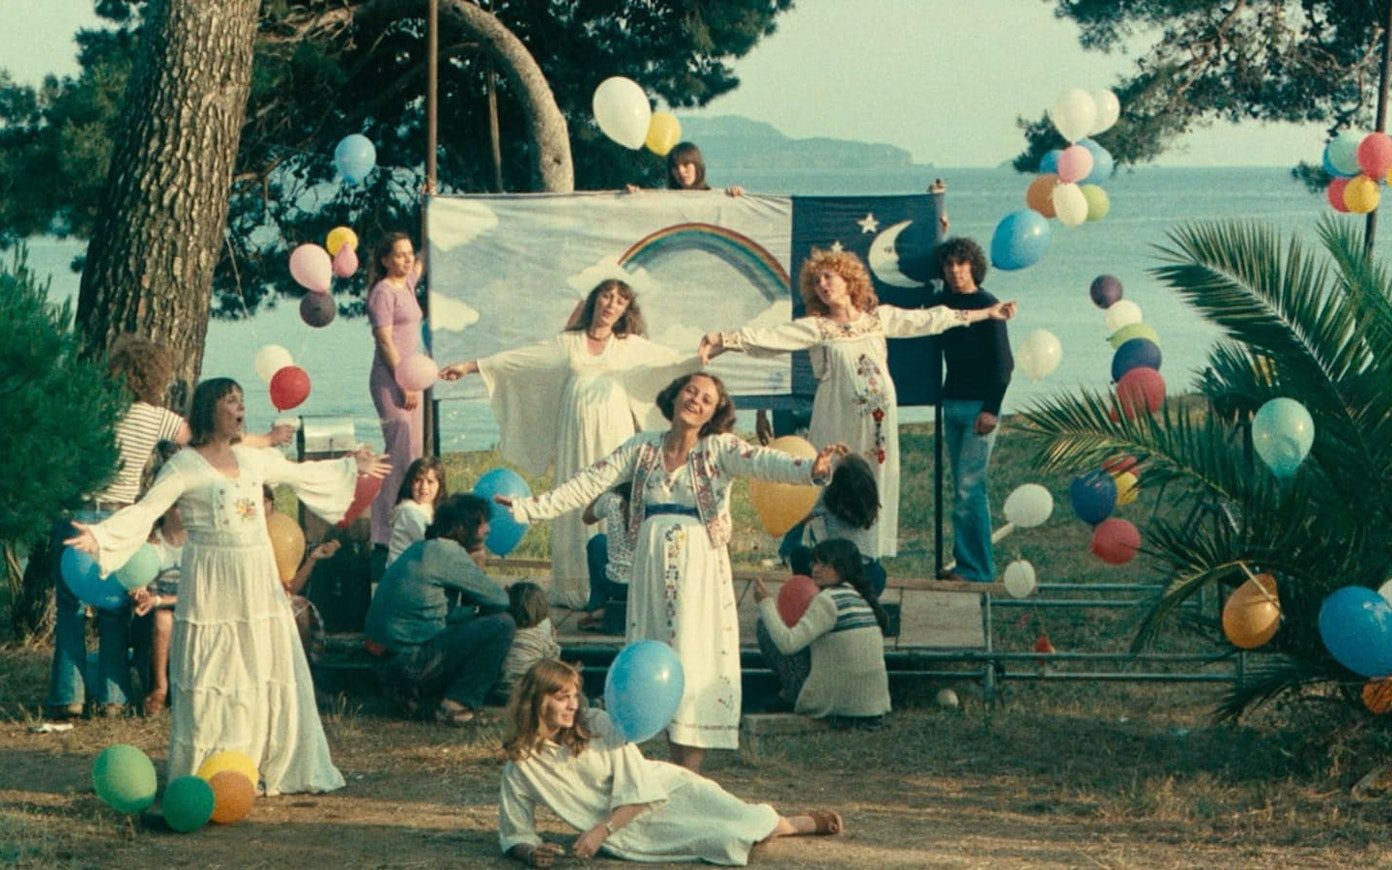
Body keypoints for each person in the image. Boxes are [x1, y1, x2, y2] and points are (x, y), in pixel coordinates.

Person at [500, 372, 840, 773]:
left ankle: (686, 773)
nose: (695, 400)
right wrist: (528, 509)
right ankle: (643, 767)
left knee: (693, 655)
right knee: (651, 650)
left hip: (699, 568)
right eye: (690, 391)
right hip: (651, 566)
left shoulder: (719, 449)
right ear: (675, 395)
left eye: (707, 399)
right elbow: (588, 481)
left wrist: (811, 470)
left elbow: (765, 462)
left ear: (715, 411)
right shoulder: (641, 447)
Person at [64, 377, 388, 794]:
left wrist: (351, 466)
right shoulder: (183, 465)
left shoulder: (252, 459)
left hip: (255, 575)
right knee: (218, 667)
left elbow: (298, 472)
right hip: (213, 579)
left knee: (264, 663)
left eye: (241, 400)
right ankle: (217, 767)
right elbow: (147, 510)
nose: (240, 408)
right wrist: (101, 537)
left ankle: (265, 760)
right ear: (208, 411)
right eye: (230, 401)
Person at [699, 248, 1017, 560]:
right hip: (837, 416)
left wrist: (987, 313)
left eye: (829, 277)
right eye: (816, 281)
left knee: (873, 479)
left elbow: (930, 319)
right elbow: (770, 337)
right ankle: (826, 556)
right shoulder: (817, 326)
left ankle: (868, 558)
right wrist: (724, 340)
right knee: (832, 477)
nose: (822, 285)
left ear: (849, 280)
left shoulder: (878, 319)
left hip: (877, 422)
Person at [45, 338, 290, 721]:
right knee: (114, 610)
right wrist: (269, 440)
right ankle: (114, 698)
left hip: (76, 514)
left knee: (70, 610)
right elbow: (210, 438)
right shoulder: (157, 417)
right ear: (154, 377)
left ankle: (67, 697)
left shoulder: (91, 409)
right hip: (120, 517)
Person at [439, 279, 697, 611]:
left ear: (625, 310)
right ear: (595, 301)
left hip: (613, 432)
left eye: (620, 300)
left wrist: (705, 353)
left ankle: (613, 582)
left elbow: (670, 363)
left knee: (612, 498)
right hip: (574, 435)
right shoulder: (569, 343)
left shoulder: (628, 345)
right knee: (575, 494)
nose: (611, 304)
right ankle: (575, 584)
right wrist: (470, 367)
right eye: (606, 296)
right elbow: (520, 360)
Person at [498, 660, 844, 867]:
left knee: (743, 818)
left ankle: (792, 823)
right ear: (536, 702)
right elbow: (515, 832)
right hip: (627, 831)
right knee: (721, 842)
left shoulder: (599, 724)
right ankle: (772, 825)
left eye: (575, 696)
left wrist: (601, 831)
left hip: (658, 790)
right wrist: (532, 853)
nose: (573, 705)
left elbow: (639, 788)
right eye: (562, 698)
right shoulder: (521, 764)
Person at [364, 493, 515, 725]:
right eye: (483, 523)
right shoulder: (448, 552)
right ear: (463, 527)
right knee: (503, 624)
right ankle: (457, 705)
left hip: (386, 663)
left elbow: (440, 614)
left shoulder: (423, 548)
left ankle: (417, 699)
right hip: (411, 664)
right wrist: (478, 567)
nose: (488, 530)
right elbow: (500, 601)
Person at [934, 237, 1015, 583]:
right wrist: (940, 223)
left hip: (979, 410)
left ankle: (976, 570)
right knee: (961, 489)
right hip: (951, 403)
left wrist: (991, 409)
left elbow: (1004, 364)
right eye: (949, 265)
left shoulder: (988, 305)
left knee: (970, 490)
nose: (955, 271)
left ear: (974, 267)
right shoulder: (944, 304)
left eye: (961, 264)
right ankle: (966, 562)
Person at [754, 539, 892, 725]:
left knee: (765, 625)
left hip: (836, 705)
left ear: (843, 568)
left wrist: (765, 603)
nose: (816, 569)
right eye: (815, 562)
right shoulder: (862, 599)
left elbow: (787, 644)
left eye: (825, 564)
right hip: (872, 706)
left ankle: (792, 694)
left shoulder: (827, 600)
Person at [366, 231, 426, 569]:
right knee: (398, 448)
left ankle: (409, 521)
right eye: (398, 255)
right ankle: (383, 532)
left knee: (412, 451)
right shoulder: (382, 292)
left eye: (407, 254)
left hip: (412, 381)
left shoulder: (407, 284)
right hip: (392, 381)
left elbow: (425, 254)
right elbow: (385, 342)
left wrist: (429, 201)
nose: (405, 260)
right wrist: (403, 379)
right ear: (385, 260)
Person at [785, 453, 886, 595]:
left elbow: (802, 517)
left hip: (837, 577)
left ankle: (815, 596)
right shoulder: (869, 501)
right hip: (871, 578)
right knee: (878, 569)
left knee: (799, 554)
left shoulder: (828, 499)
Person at [577, 483, 633, 632]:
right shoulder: (651, 498)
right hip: (642, 585)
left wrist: (602, 491)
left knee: (597, 542)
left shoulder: (611, 500)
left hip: (615, 584)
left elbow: (587, 517)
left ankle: (597, 606)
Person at [497, 582, 561, 697]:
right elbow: (552, 661)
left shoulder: (505, 628)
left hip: (502, 690)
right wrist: (555, 643)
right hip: (532, 692)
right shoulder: (543, 629)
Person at [386, 456, 447, 568]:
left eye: (430, 482)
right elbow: (430, 546)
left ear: (440, 485)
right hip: (405, 576)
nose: (424, 487)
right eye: (418, 480)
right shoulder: (409, 511)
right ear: (410, 483)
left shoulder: (432, 509)